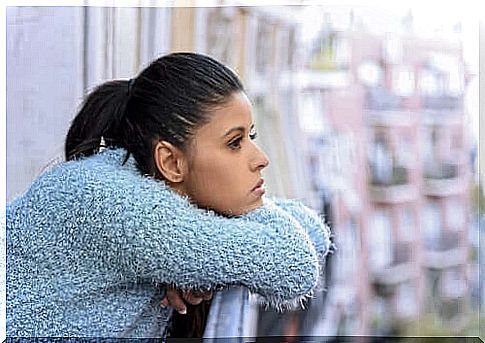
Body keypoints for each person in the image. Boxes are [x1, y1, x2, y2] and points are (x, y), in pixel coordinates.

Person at [6, 52, 333, 339]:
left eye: (252, 136)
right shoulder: (116, 203)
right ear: (171, 162)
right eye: (235, 143)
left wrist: (209, 254)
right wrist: (223, 240)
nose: (261, 158)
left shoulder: (152, 194)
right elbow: (295, 265)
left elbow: (312, 233)